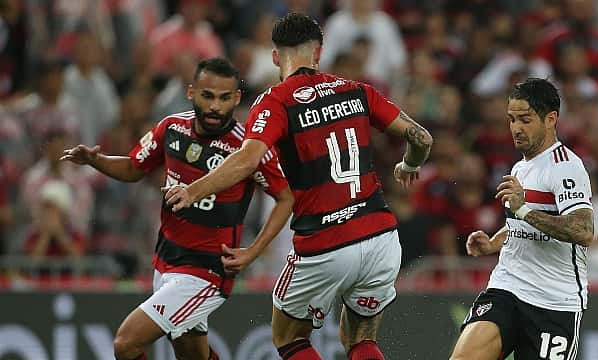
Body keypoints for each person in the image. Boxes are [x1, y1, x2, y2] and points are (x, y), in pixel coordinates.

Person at [164, 13, 433, 360]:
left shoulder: (276, 101)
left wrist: (192, 190)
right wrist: (410, 163)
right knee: (361, 338)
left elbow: (247, 160)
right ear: (318, 53)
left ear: (276, 56)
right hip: (379, 235)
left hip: (325, 242)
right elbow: (421, 137)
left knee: (289, 336)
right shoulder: (357, 90)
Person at [61, 57, 293, 360]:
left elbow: (286, 197)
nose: (214, 107)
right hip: (166, 261)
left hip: (206, 271)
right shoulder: (172, 129)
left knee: (126, 344)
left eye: (224, 98)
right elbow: (134, 167)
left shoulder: (248, 149)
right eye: (207, 96)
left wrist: (253, 251)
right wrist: (96, 160)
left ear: (236, 99)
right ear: (191, 92)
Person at [449, 78, 594, 360]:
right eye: (512, 119)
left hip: (554, 302)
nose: (516, 128)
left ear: (551, 119)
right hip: (508, 287)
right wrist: (494, 243)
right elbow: (522, 221)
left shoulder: (566, 168)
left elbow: (583, 230)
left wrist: (524, 208)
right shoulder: (520, 167)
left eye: (525, 120)